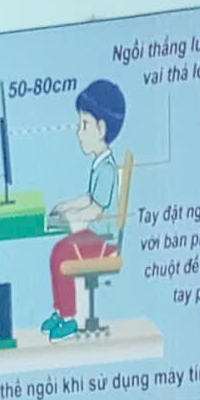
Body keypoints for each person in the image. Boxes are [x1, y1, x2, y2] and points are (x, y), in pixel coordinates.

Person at [43, 79, 127, 337]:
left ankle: (68, 318)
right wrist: (66, 206)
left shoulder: (107, 168)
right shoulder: (100, 164)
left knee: (61, 254)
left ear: (101, 128)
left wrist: (72, 218)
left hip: (104, 241)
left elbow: (96, 210)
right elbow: (90, 198)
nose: (79, 132)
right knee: (59, 253)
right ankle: (61, 312)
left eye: (85, 125)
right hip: (97, 235)